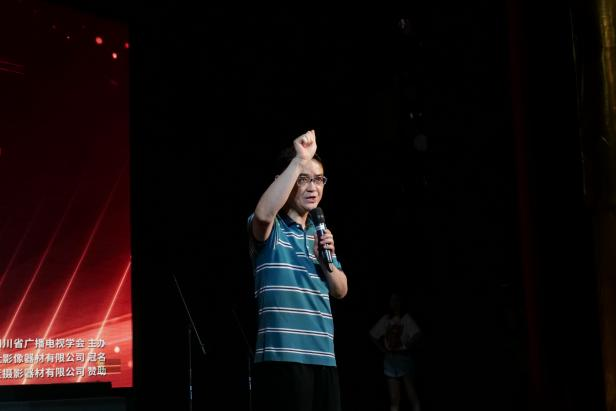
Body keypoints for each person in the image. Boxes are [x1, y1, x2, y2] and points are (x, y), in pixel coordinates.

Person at [247, 129, 348, 411]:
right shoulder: (273, 230)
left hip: (324, 357)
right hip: (282, 358)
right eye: (303, 179)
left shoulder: (320, 233)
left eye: (318, 179)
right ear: (285, 180)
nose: (313, 187)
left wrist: (327, 262)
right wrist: (298, 160)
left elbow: (340, 290)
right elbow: (264, 215)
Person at [370, 292, 422, 411]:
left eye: (397, 300)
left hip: (404, 358)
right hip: (390, 360)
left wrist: (407, 345)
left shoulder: (406, 318)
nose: (394, 303)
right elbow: (373, 335)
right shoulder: (386, 319)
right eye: (392, 300)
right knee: (394, 399)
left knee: (411, 395)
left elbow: (418, 334)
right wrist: (383, 349)